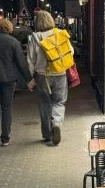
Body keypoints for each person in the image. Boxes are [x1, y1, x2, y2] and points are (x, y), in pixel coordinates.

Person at [0, 18, 34, 146]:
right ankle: (5, 138)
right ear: (9, 27)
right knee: (6, 108)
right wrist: (28, 79)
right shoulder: (14, 42)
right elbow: (21, 63)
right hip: (9, 79)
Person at [27, 10, 72, 145]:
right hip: (60, 73)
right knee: (59, 102)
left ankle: (47, 134)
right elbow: (71, 52)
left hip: (42, 76)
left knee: (44, 103)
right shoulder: (60, 33)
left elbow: (30, 60)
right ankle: (56, 123)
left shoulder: (34, 38)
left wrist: (31, 78)